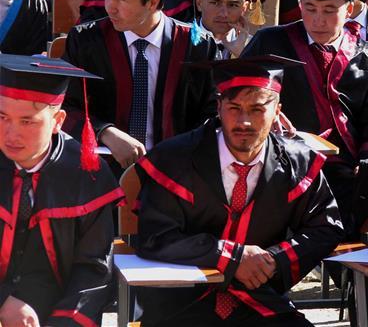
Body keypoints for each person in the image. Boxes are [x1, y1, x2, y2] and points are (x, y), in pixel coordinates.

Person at [135, 56, 344, 326]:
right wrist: (230, 257)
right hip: (182, 304)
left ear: (278, 111)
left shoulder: (299, 163)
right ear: (219, 107)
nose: (244, 121)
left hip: (260, 300)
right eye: (234, 107)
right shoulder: (175, 159)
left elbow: (325, 228)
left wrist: (274, 259)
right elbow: (155, 237)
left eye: (257, 109)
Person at [240, 0, 368, 236]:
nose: (318, 20)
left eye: (329, 10)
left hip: (348, 168)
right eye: (310, 8)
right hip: (283, 160)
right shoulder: (272, 42)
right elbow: (241, 96)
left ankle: (351, 275)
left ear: (349, 10)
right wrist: (268, 121)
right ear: (299, 4)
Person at [62, 0, 218, 171]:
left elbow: (212, 112)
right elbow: (66, 105)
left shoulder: (196, 46)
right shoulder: (87, 41)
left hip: (176, 171)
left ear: (153, 2)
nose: (109, 6)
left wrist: (180, 152)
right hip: (103, 169)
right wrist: (106, 132)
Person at [0, 55, 123, 327]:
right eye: (2, 117)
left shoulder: (86, 175)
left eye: (27, 121)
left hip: (59, 303)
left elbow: (93, 271)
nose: (11, 134)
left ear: (58, 121)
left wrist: (63, 321)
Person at [184, 0, 262, 59]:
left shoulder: (255, 49)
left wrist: (241, 55)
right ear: (199, 2)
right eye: (215, 3)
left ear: (244, 8)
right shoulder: (179, 40)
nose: (224, 14)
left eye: (233, 5)